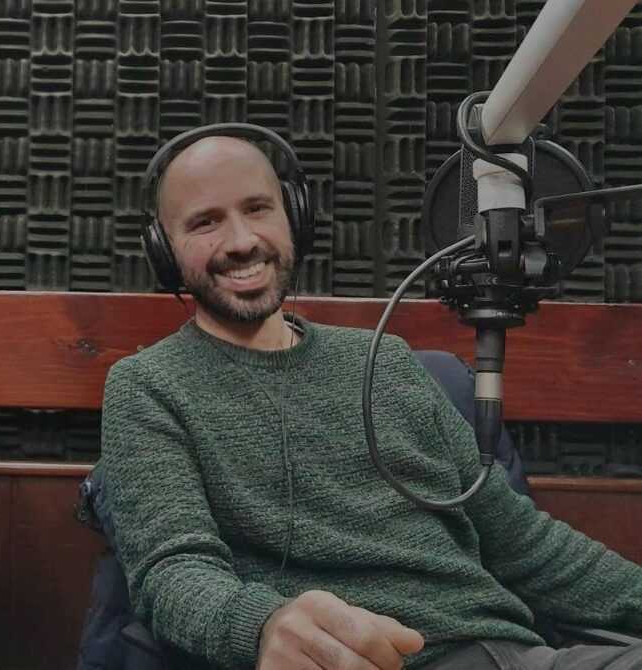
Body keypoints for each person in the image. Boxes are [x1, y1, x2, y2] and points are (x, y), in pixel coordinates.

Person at [101, 125, 642, 670]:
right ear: (164, 250)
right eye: (205, 222)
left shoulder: (385, 359)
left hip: (512, 654)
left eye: (258, 208)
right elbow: (172, 571)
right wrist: (261, 626)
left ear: (294, 216)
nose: (241, 241)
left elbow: (523, 544)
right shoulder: (148, 385)